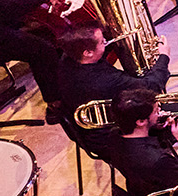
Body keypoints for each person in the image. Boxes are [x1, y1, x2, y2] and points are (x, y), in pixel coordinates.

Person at [55, 22, 167, 151]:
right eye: (102, 42)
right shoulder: (105, 79)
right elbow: (150, 87)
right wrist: (164, 57)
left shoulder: (68, 58)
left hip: (87, 132)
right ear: (88, 53)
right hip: (109, 139)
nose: (106, 41)